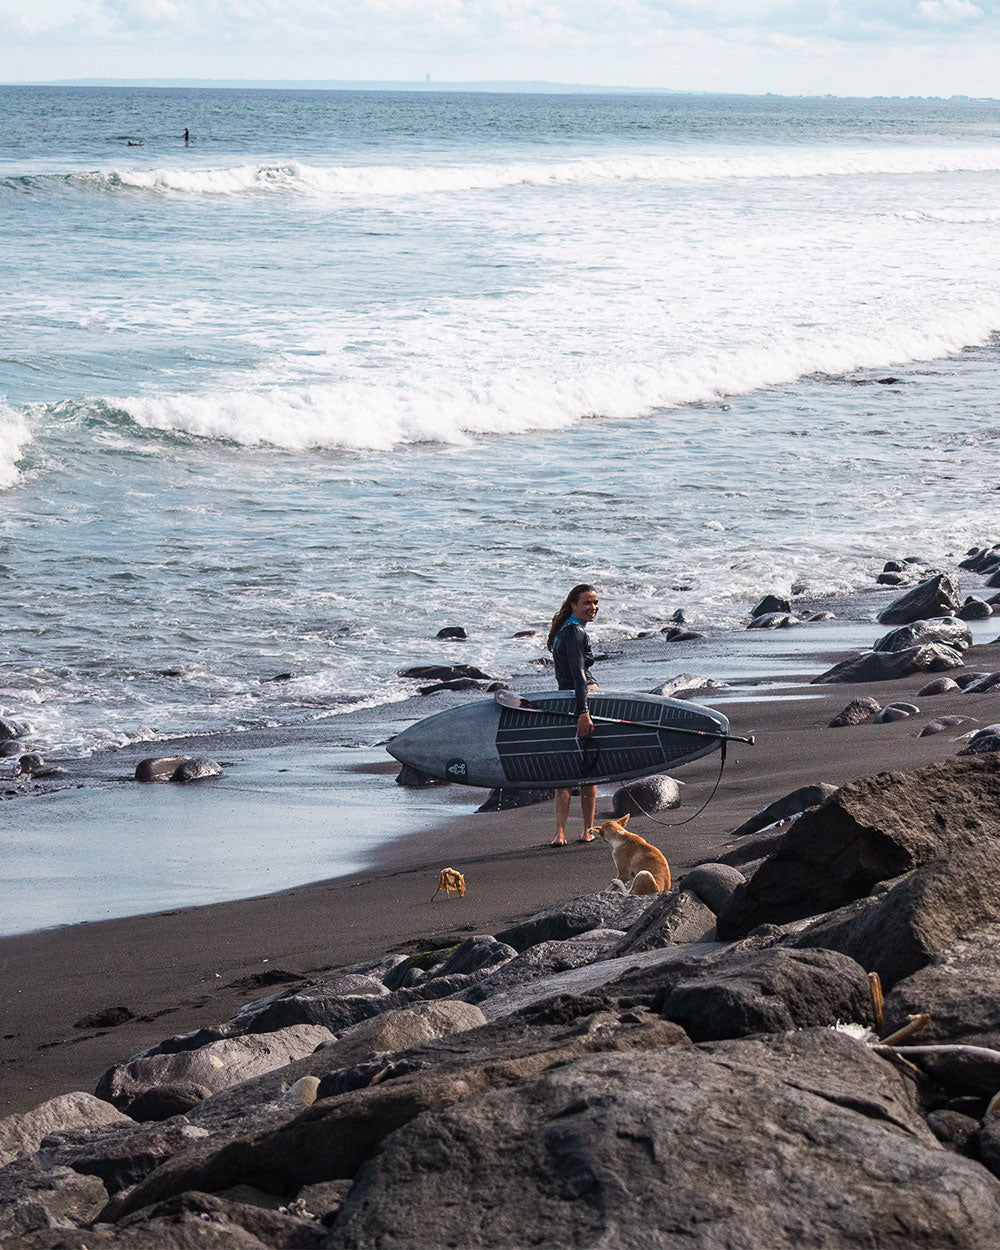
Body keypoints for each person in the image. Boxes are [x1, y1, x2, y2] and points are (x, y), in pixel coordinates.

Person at [546, 583, 600, 846]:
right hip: (581, 701)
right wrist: (584, 712)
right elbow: (579, 676)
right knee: (589, 767)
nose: (593, 607)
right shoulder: (576, 632)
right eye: (587, 602)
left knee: (565, 769)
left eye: (596, 602)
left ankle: (560, 833)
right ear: (574, 605)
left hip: (564, 701)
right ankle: (587, 830)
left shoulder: (564, 631)